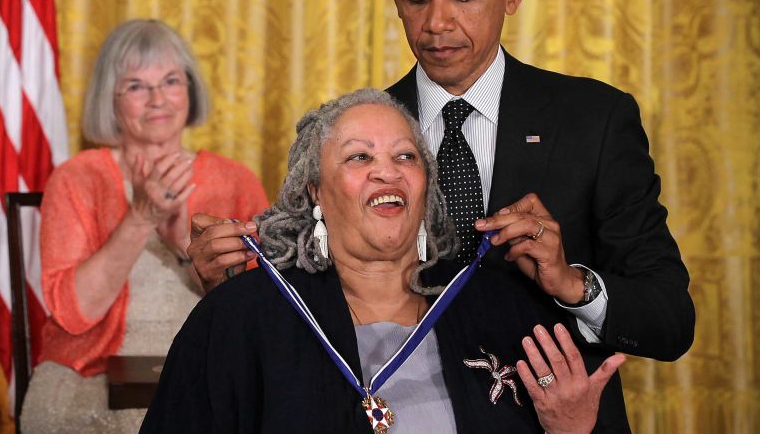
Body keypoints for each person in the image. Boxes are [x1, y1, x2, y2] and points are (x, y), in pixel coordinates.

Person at [186, 0, 695, 430]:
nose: (437, 23)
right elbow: (300, 293)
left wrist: (572, 284)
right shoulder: (358, 133)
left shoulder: (594, 120)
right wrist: (225, 286)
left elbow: (670, 321)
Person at [141, 89, 626, 433]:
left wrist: (571, 431)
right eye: (358, 158)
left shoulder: (500, 308)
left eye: (406, 157)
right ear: (315, 192)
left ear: (426, 189)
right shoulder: (240, 316)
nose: (386, 172)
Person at [19, 19, 269, 433]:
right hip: (89, 374)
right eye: (136, 86)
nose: (157, 99)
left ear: (189, 89)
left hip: (207, 364)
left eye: (170, 81)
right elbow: (72, 313)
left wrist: (184, 249)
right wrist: (141, 218)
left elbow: (261, 308)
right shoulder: (76, 178)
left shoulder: (235, 180)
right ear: (110, 99)